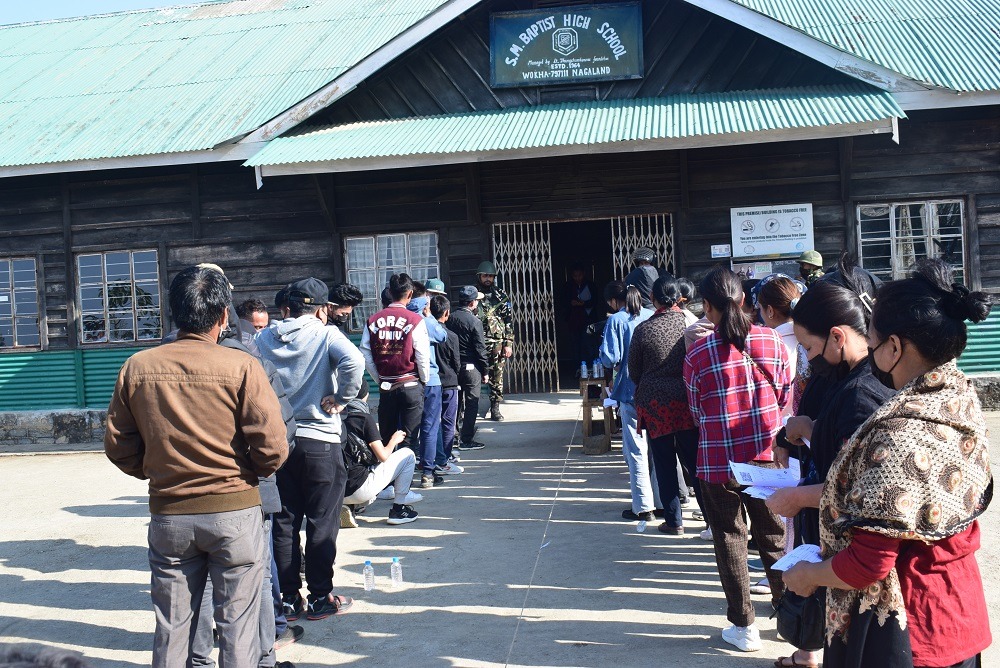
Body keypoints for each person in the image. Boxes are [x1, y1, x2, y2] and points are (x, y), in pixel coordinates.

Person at [782, 259, 993, 668]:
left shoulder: (899, 434)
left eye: (875, 343)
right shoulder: (961, 396)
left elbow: (869, 562)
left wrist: (808, 576)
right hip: (960, 607)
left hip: (911, 628)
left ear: (895, 347)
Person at [104, 265, 289, 667]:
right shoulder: (242, 366)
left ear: (173, 312)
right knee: (238, 627)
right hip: (236, 513)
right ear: (224, 316)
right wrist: (245, 476)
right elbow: (273, 447)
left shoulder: (137, 366)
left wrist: (161, 473)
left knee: (172, 627)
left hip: (170, 513)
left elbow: (119, 446)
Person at [764, 272, 894, 668]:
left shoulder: (862, 391)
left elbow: (863, 484)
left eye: (808, 347)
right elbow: (853, 448)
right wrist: (808, 428)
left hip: (860, 558)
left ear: (838, 336)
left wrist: (798, 497)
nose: (806, 358)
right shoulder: (847, 377)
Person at [683, 266, 792, 653]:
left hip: (716, 462)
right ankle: (787, 614)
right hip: (765, 457)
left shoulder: (696, 351)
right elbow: (784, 398)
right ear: (745, 299)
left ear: (706, 307)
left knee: (730, 540)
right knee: (774, 536)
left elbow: (697, 413)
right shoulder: (773, 342)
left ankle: (744, 625)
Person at [191, 314, 301, 668]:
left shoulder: (159, 362)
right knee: (257, 577)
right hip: (248, 492)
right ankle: (263, 658)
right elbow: (282, 435)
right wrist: (257, 472)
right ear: (225, 320)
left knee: (199, 584)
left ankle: (198, 660)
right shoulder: (251, 364)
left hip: (183, 495)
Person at [256, 277, 364, 622]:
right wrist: (342, 398)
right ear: (321, 308)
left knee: (284, 522)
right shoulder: (326, 333)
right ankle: (320, 597)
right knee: (322, 521)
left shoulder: (262, 337)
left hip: (279, 442)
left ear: (288, 306)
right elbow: (355, 363)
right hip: (320, 439)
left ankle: (288, 599)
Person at [628, 276, 698, 535]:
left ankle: (674, 521)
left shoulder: (644, 329)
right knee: (695, 461)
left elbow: (634, 371)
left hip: (656, 404)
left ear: (653, 299)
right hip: (687, 400)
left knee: (664, 462)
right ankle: (713, 519)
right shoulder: (690, 323)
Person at [599, 281, 656, 521]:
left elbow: (609, 357)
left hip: (630, 390)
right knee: (657, 450)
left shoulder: (616, 320)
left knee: (635, 450)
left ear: (613, 301)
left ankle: (643, 506)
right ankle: (664, 502)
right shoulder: (651, 314)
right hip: (654, 390)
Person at [360, 273, 431, 459]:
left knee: (386, 439)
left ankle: (388, 486)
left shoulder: (373, 320)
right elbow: (423, 354)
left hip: (387, 387)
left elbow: (365, 354)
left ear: (390, 293)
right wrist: (424, 380)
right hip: (411, 384)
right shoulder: (416, 320)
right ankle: (404, 487)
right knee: (409, 440)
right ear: (410, 294)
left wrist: (379, 378)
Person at [340, 384, 422, 525]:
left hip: (337, 491)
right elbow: (382, 456)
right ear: (364, 396)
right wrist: (393, 440)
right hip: (361, 489)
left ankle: (351, 507)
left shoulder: (335, 418)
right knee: (408, 454)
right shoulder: (363, 418)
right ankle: (399, 510)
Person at [407, 281, 450, 489]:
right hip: (430, 380)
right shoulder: (425, 321)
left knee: (406, 429)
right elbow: (443, 336)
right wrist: (428, 315)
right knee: (430, 427)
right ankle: (428, 473)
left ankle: (402, 476)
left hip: (405, 380)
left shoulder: (402, 318)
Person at [447, 286, 490, 451]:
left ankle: (453, 437)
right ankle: (466, 439)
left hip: (453, 367)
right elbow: (480, 348)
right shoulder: (474, 321)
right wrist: (486, 370)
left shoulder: (450, 318)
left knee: (455, 402)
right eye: (477, 300)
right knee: (472, 403)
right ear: (472, 303)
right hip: (472, 368)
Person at [430, 294, 464, 474]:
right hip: (449, 383)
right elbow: (457, 363)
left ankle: (434, 456)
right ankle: (445, 458)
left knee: (432, 422)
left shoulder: (426, 332)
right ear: (447, 313)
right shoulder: (450, 336)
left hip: (431, 382)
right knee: (448, 422)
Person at [475, 260, 513, 421]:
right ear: (479, 276)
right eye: (485, 276)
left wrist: (508, 343)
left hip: (497, 343)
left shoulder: (501, 295)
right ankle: (469, 409)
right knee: (474, 377)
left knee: (497, 377)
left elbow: (508, 321)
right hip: (477, 343)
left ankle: (495, 408)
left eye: (490, 276)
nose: (488, 278)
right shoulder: (472, 294)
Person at [560, 264, 597, 367]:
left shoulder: (590, 285)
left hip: (588, 319)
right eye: (575, 276)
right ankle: (577, 368)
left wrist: (584, 303)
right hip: (574, 320)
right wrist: (571, 303)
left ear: (583, 274)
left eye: (579, 275)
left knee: (588, 344)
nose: (577, 278)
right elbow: (562, 301)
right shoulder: (568, 286)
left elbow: (595, 300)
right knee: (575, 345)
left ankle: (591, 368)